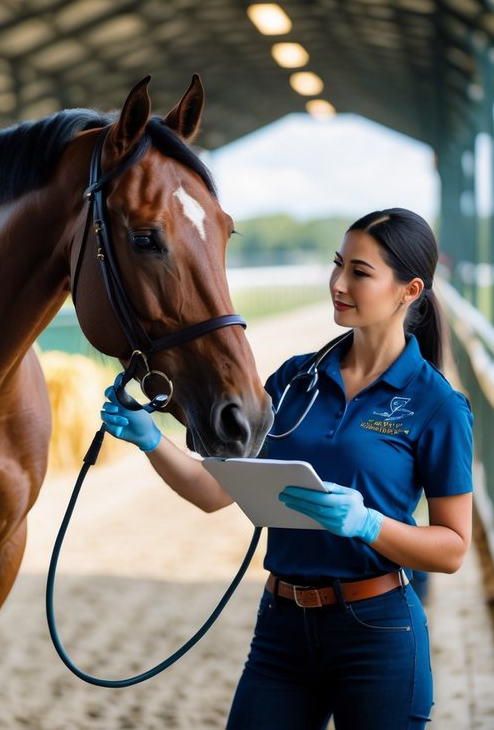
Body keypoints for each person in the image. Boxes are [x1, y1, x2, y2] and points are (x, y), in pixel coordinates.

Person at [101, 208, 472, 728]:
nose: (338, 283)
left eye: (360, 273)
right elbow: (213, 492)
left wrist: (370, 525)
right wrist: (150, 440)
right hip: (281, 629)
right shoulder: (297, 380)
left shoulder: (438, 405)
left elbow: (453, 549)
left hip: (377, 633)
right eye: (338, 264)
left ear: (410, 291)